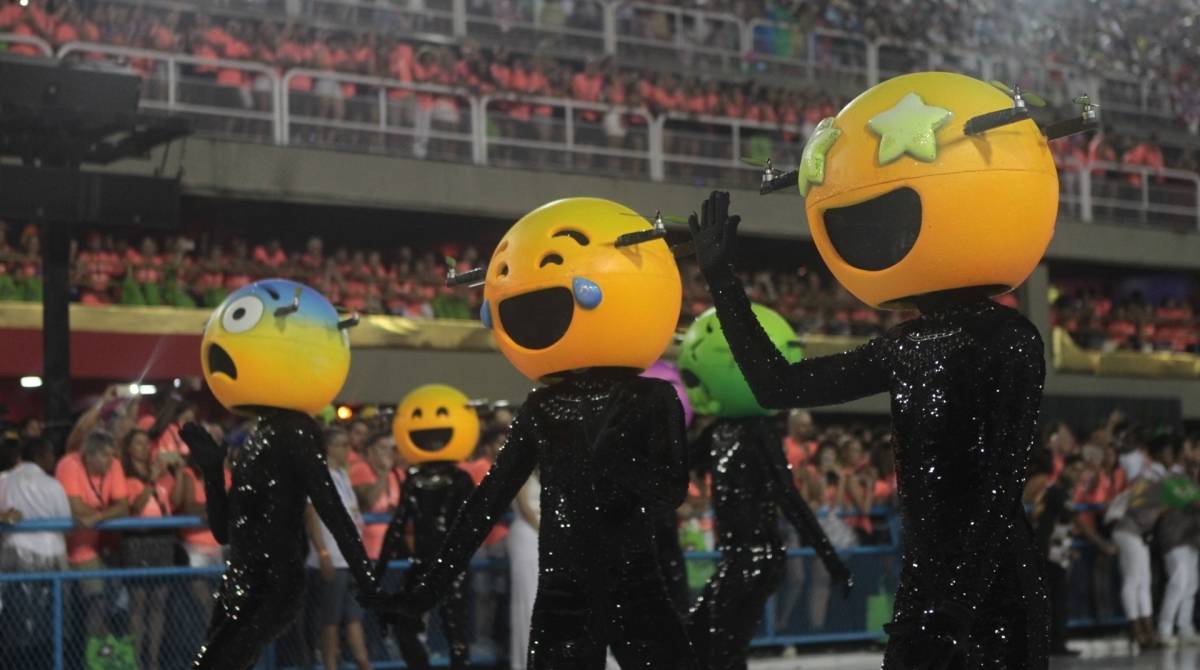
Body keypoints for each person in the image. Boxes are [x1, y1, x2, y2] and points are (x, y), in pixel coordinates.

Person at [687, 71, 1081, 669]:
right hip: (930, 586)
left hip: (991, 587)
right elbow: (778, 386)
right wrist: (722, 281)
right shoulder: (905, 346)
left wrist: (953, 605)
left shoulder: (1008, 338)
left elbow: (1000, 483)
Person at [378, 198, 696, 668]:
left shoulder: (650, 397)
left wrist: (610, 460)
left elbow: (671, 489)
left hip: (634, 585)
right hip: (563, 596)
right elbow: (486, 502)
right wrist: (424, 592)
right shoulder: (543, 406)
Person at [180, 279, 379, 670]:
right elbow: (224, 531)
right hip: (238, 582)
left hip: (273, 586)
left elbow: (330, 506)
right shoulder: (254, 439)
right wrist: (212, 470)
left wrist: (366, 579)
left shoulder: (296, 431)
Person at [677, 304, 850, 669]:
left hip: (758, 558)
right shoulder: (717, 432)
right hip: (734, 558)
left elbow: (789, 496)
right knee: (700, 638)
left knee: (723, 647)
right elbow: (672, 468)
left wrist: (830, 559)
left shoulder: (760, 432)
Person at [377, 384, 480, 670]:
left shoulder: (460, 480)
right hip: (422, 563)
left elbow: (474, 523)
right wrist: (377, 571)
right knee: (405, 623)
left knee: (455, 631)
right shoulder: (414, 480)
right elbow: (398, 525)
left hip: (452, 567)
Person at [306, 427, 373, 670]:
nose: (348, 450)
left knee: (354, 616)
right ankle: (330, 665)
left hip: (350, 558)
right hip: (333, 557)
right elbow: (311, 513)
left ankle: (363, 662)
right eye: (342, 445)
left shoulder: (342, 475)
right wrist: (322, 551)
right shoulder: (318, 474)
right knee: (330, 620)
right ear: (328, 448)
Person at [0, 437, 70, 667]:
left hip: (13, 553)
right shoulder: (52, 485)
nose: (53, 459)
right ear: (40, 456)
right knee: (50, 616)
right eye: (50, 454)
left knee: (16, 614)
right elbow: (65, 519)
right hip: (50, 555)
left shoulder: (6, 480)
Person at [56, 430, 129, 646]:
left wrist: (96, 517)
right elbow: (75, 507)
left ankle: (94, 654)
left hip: (87, 550)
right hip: (62, 550)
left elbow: (123, 507)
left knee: (97, 602)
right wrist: (105, 514)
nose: (111, 460)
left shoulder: (114, 464)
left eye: (111, 455)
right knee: (63, 608)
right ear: (89, 455)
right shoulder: (69, 464)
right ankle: (64, 655)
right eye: (105, 455)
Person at [1111, 433, 1172, 649]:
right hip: (1127, 530)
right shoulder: (1148, 480)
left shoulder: (1158, 480)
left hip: (1139, 533)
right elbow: (1138, 509)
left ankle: (1148, 630)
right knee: (1133, 580)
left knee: (1144, 580)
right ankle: (1136, 629)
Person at [508, 470, 540, 670]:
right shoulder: (520, 472)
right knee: (528, 600)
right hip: (528, 536)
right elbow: (525, 507)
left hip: (538, 536)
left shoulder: (537, 474)